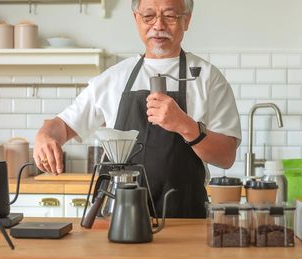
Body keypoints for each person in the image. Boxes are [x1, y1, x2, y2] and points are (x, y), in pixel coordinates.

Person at [34, 0, 241, 218]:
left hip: (183, 217)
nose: (158, 25)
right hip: (118, 216)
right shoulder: (113, 78)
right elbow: (62, 127)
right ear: (136, 19)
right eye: (149, 16)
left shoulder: (207, 78)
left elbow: (226, 156)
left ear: (186, 20)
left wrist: (185, 126)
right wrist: (45, 135)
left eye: (169, 16)